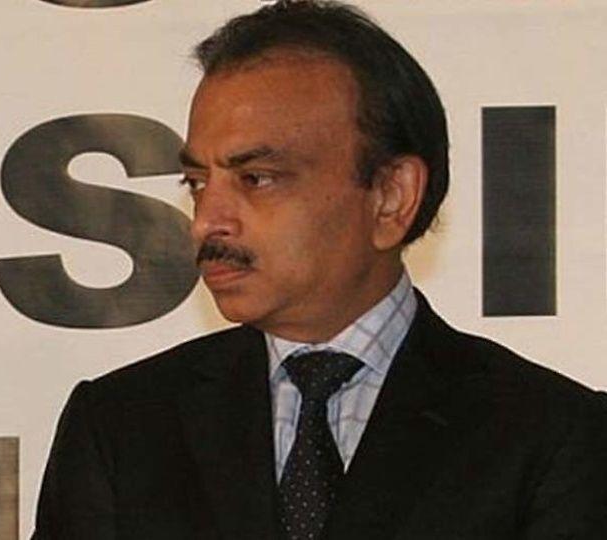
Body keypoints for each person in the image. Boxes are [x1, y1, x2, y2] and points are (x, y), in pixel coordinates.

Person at [32, 2, 607, 539]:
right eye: (197, 182)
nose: (206, 221)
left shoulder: (550, 437)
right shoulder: (121, 427)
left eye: (256, 178)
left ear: (391, 196)